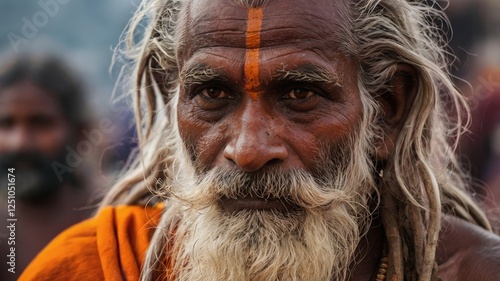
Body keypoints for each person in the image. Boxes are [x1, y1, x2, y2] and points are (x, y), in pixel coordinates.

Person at [20, 0, 500, 280]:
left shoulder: (474, 272)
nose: (247, 150)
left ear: (386, 114)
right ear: (174, 103)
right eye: (211, 93)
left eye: (299, 93)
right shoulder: (94, 267)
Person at [0, 54, 97, 280]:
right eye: (6, 123)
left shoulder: (117, 216)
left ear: (80, 132)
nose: (20, 142)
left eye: (41, 122)